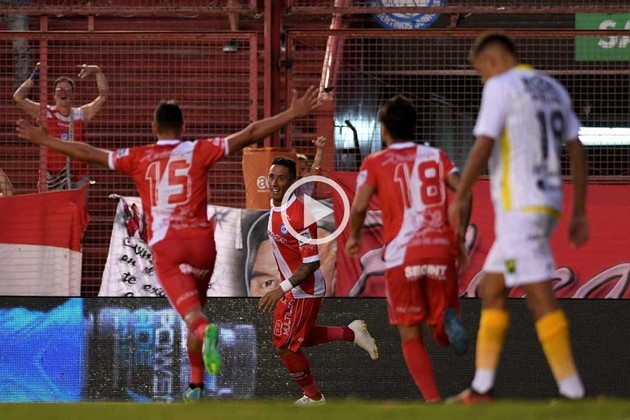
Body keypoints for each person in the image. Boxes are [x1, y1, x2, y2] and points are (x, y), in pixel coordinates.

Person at [16, 85, 322, 402]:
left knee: (195, 320)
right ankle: (195, 386)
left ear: (153, 127)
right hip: (203, 245)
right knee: (196, 311)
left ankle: (206, 334)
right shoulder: (199, 150)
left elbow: (90, 153)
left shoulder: (139, 156)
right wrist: (292, 113)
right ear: (183, 127)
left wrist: (46, 140)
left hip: (168, 248)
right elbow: (250, 133)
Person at [447, 33, 589, 403]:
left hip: (520, 207)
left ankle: (572, 392)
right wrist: (578, 210)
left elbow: (484, 144)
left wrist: (460, 195)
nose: (482, 79)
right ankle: (482, 388)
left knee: (539, 296)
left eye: (480, 72)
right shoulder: (552, 88)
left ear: (492, 61)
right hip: (547, 203)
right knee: (491, 289)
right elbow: (577, 148)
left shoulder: (501, 85)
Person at [345, 95, 471, 403]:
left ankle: (432, 401)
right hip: (440, 249)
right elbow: (465, 192)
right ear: (415, 127)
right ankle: (443, 324)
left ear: (384, 129)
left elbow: (359, 206)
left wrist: (355, 236)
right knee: (440, 327)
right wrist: (458, 235)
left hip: (402, 256)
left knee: (410, 333)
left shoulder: (375, 162)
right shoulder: (436, 156)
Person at [258, 156, 379, 406]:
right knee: (296, 338)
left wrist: (280, 289)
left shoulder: (299, 214)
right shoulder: (276, 205)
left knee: (285, 346)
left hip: (304, 290)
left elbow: (311, 262)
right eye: (271, 177)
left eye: (281, 178)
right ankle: (351, 333)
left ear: (292, 182)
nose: (274, 183)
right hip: (293, 288)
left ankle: (314, 398)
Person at [13, 62, 109, 191]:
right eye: (59, 90)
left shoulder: (81, 114)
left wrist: (97, 71)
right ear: (54, 95)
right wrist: (36, 75)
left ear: (73, 95)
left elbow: (103, 97)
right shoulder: (45, 112)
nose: (63, 92)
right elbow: (18, 97)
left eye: (68, 90)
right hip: (52, 178)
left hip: (78, 178)